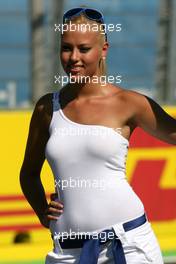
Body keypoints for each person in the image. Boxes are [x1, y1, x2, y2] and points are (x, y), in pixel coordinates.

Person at [20, 7, 176, 264]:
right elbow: (28, 174)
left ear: (103, 49)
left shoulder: (129, 103)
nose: (73, 58)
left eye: (83, 49)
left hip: (129, 245)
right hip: (66, 253)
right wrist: (41, 211)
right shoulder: (47, 108)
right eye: (66, 48)